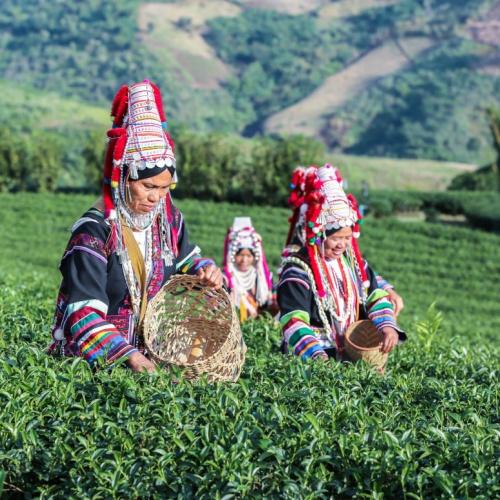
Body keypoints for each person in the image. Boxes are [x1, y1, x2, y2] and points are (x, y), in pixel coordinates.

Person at [49, 80, 222, 372]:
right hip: (93, 365)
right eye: (148, 186)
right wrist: (128, 356)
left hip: (150, 358)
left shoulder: (168, 221)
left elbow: (187, 260)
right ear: (123, 178)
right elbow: (83, 312)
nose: (156, 197)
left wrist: (206, 269)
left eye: (165, 188)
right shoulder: (93, 232)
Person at [278, 164, 406, 361]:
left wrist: (387, 326)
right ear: (319, 235)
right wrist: (317, 356)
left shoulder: (354, 264)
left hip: (353, 354)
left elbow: (376, 296)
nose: (342, 245)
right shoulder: (297, 271)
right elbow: (294, 321)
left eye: (347, 238)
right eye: (336, 238)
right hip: (311, 360)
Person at [222, 217, 274, 322]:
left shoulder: (260, 277)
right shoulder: (225, 278)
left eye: (249, 256)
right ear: (233, 255)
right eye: (240, 255)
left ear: (254, 257)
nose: (244, 260)